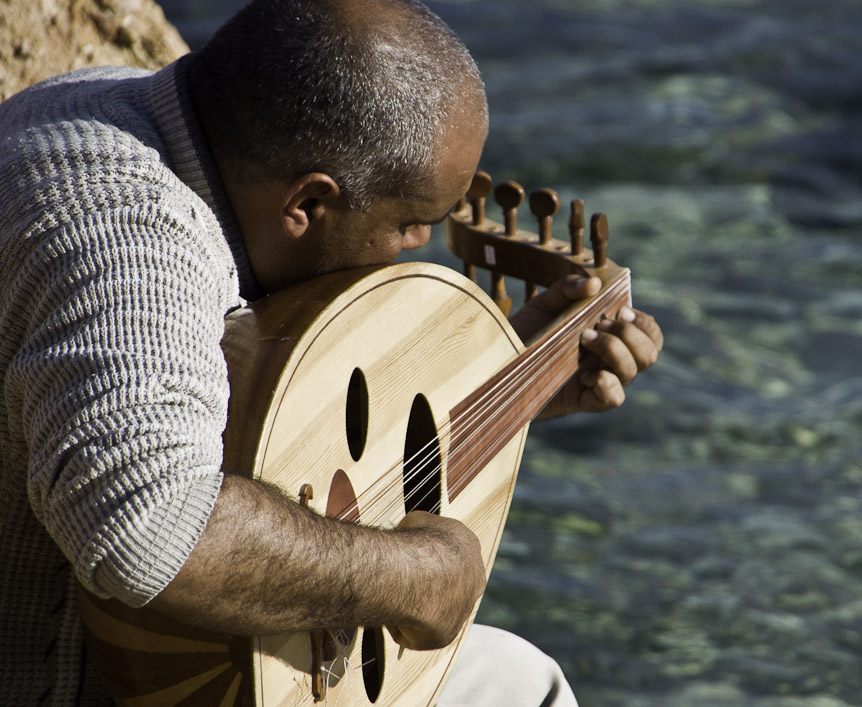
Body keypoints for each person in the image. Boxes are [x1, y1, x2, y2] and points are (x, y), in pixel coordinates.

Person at [0, 0, 663, 704]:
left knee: (521, 675)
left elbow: (282, 430)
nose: (417, 249)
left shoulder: (131, 111)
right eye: (408, 223)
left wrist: (512, 382)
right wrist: (410, 579)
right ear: (307, 204)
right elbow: (144, 526)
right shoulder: (136, 238)